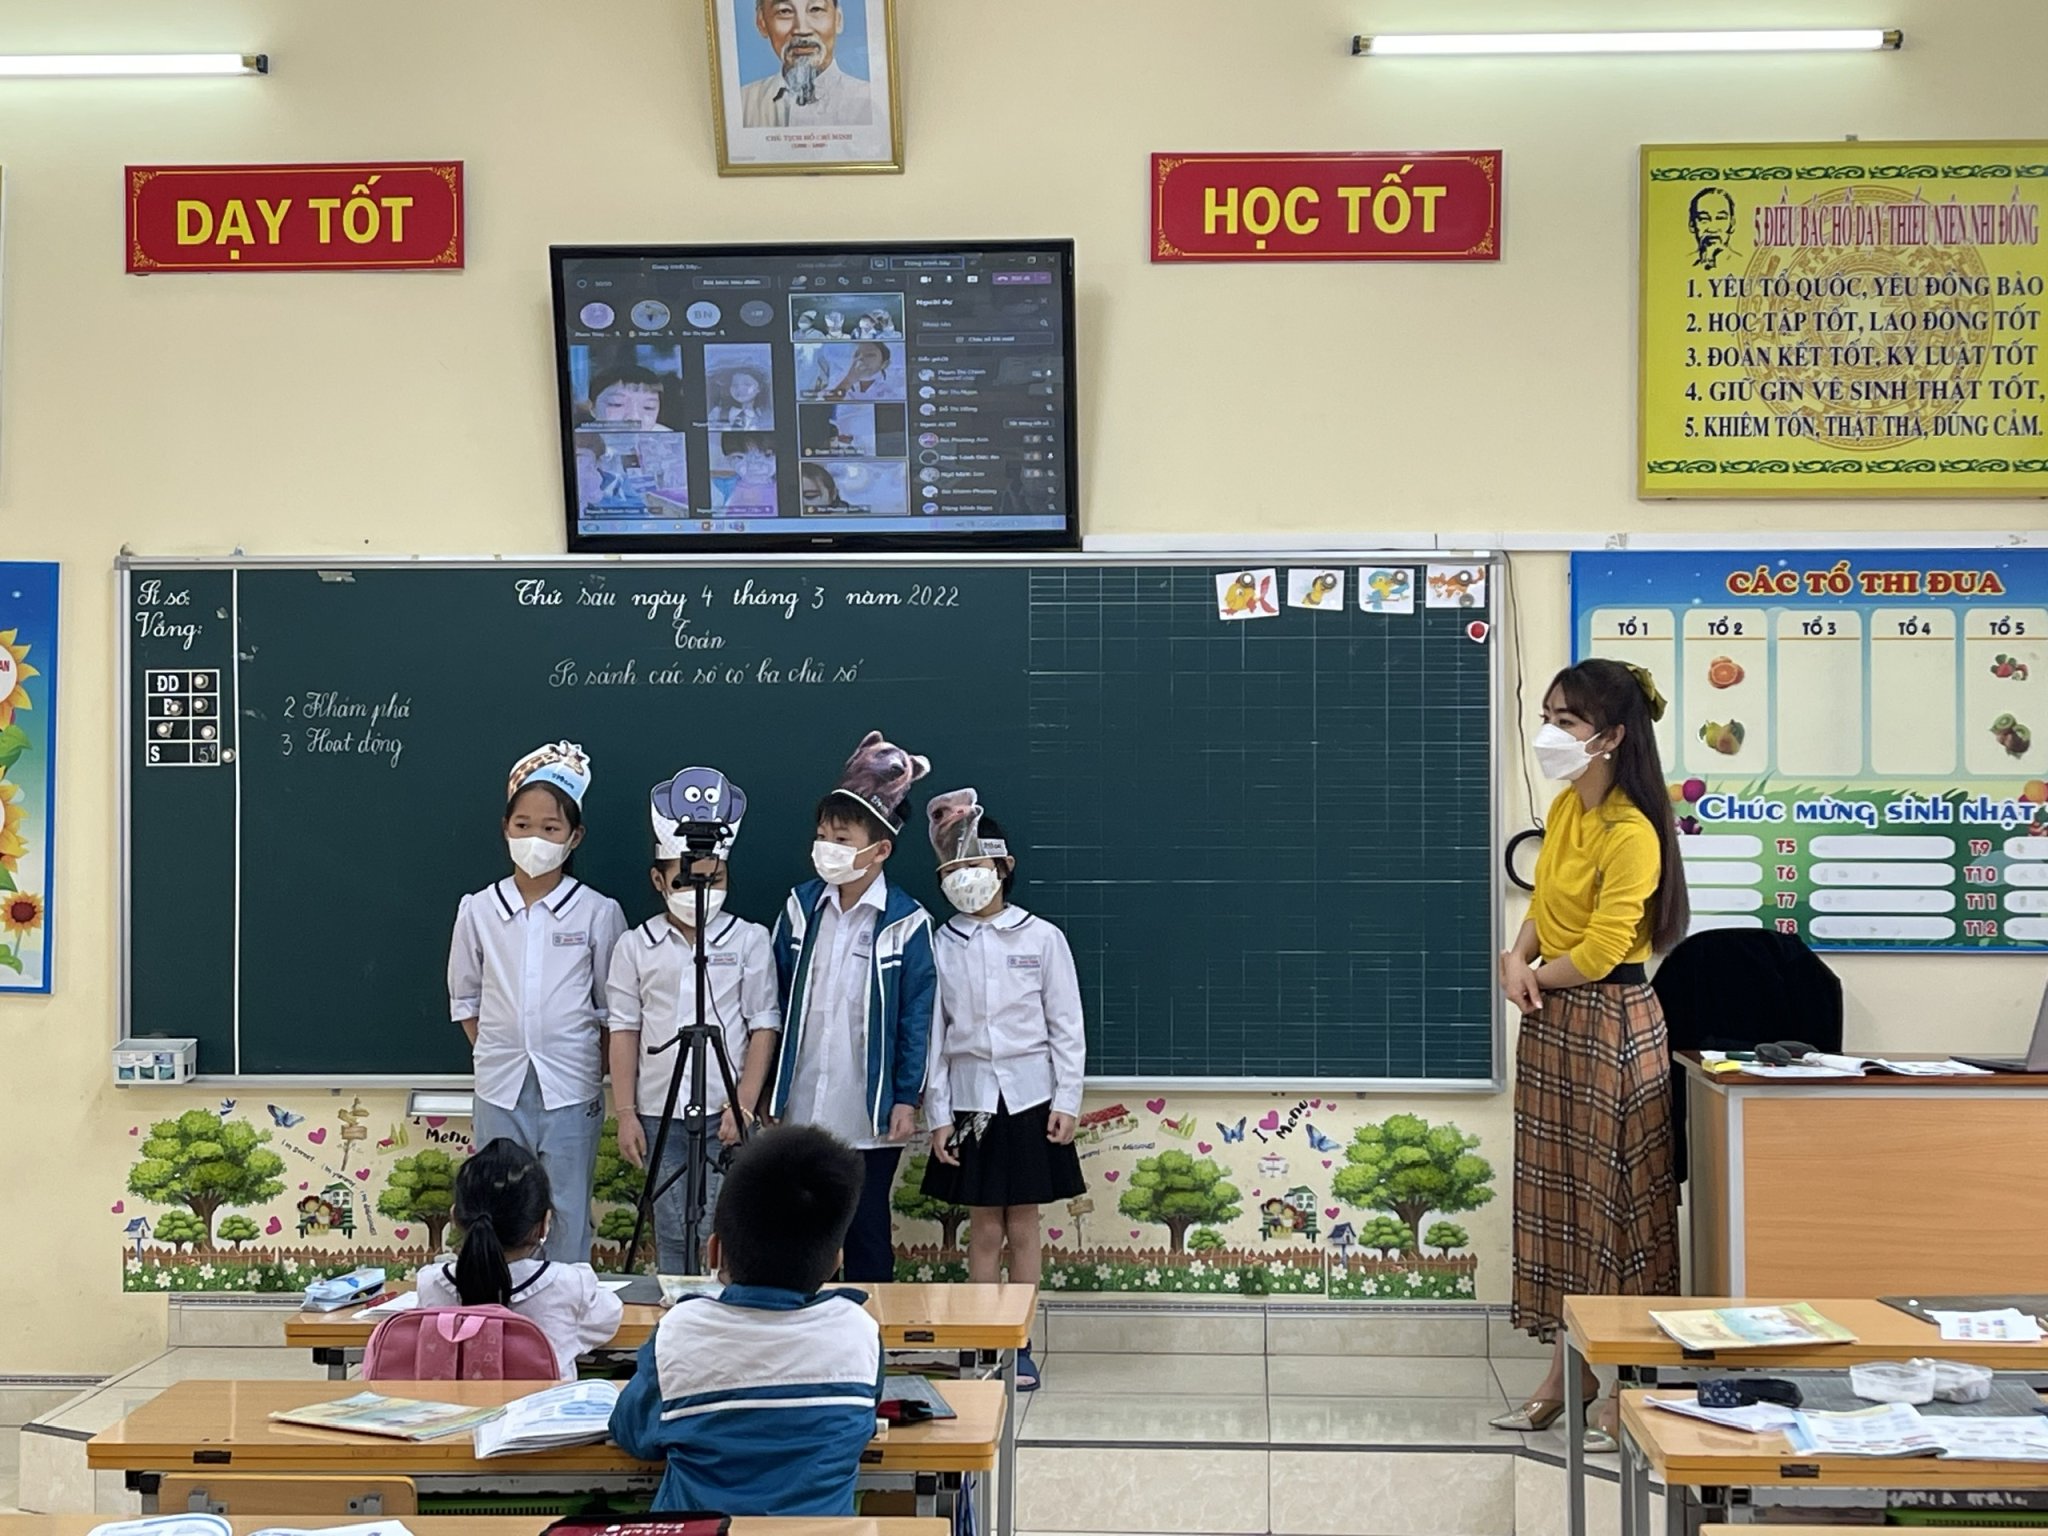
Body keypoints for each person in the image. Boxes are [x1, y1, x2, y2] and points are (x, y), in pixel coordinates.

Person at [1492, 660, 1687, 1452]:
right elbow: (1545, 902)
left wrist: (1532, 977)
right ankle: (1565, 1376)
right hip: (1554, 1020)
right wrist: (1515, 956)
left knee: (1616, 1205)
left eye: (1566, 722)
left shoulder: (1632, 829)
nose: (1549, 734)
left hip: (1611, 1023)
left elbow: (1606, 949)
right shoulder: (1570, 806)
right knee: (1560, 1204)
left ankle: (1629, 1382)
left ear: (1611, 737)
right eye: (1548, 716)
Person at [609, 1125, 880, 1514]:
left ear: (714, 1251)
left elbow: (633, 1433)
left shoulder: (681, 1330)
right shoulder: (857, 1332)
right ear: (837, 1260)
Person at [920, 790, 1084, 1392]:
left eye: (977, 865)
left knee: (1024, 1227)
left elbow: (1067, 1026)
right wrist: (939, 1115)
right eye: (955, 868)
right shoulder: (940, 944)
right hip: (970, 1099)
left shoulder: (1041, 938)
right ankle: (981, 1341)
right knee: (984, 1228)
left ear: (1004, 866)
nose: (967, 878)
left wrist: (1067, 1100)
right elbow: (933, 1038)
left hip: (1031, 1097)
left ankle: (1018, 1344)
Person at [448, 741, 628, 1265]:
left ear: (574, 837)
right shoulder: (479, 910)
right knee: (497, 1204)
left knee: (566, 1203)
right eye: (523, 825)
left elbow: (612, 1008)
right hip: (500, 1084)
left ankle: (565, 1298)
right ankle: (500, 1300)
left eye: (550, 828)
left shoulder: (597, 912)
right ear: (505, 827)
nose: (535, 839)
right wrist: (497, 1049)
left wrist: (588, 1065)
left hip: (570, 1085)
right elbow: (466, 999)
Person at [767, 730, 937, 1283]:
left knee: (865, 1230)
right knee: (797, 1229)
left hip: (867, 1109)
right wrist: (768, 1088)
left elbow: (917, 1017)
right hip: (800, 1100)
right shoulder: (799, 908)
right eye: (822, 836)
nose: (828, 848)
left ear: (880, 849)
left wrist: (906, 1097)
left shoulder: (907, 923)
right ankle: (798, 1324)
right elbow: (772, 1000)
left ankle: (869, 1331)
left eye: (842, 838)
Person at [609, 767, 781, 1275]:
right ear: (659, 880)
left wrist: (743, 1103)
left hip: (726, 1112)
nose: (700, 891)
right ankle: (677, 1310)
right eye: (686, 880)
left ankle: (723, 1311)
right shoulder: (635, 945)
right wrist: (625, 1112)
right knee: (669, 1223)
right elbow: (623, 1030)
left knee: (724, 1225)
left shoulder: (749, 939)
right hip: (659, 1111)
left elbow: (763, 1025)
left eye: (713, 879)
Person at [415, 1138, 624, 1381]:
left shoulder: (431, 1283)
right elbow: (610, 1318)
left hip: (451, 1407)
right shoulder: (570, 1285)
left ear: (455, 1218)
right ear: (545, 1223)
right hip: (545, 1406)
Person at [738, 0, 875, 130]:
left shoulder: (871, 102)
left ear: (838, 19)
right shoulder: (742, 104)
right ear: (761, 23)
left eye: (815, 9)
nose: (802, 30)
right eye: (784, 11)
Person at [588, 365, 674, 430]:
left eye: (648, 407)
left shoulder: (670, 440)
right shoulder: (581, 441)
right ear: (592, 408)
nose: (634, 417)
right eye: (617, 404)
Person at [719, 432, 779, 513]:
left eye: (767, 455)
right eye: (740, 457)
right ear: (728, 460)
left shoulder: (786, 490)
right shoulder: (721, 488)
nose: (754, 466)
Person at [823, 341, 900, 400]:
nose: (860, 358)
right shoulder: (838, 379)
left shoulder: (896, 384)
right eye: (857, 355)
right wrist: (849, 381)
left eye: (870, 355)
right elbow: (826, 404)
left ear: (884, 364)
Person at [1688, 187, 1739, 271]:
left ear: (1732, 224)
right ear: (1692, 225)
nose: (1712, 229)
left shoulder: (1743, 263)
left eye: (1720, 218)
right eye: (1704, 219)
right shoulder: (1681, 264)